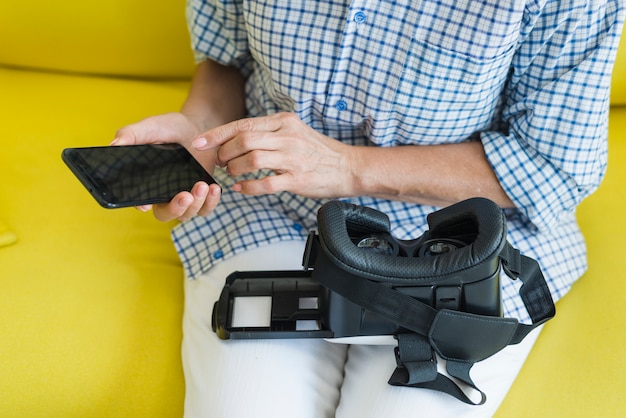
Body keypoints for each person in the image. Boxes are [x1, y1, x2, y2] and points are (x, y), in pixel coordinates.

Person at [112, 0, 625, 416]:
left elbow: (553, 164)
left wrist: (347, 166)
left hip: (459, 239)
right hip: (272, 208)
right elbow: (228, 56)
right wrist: (196, 131)